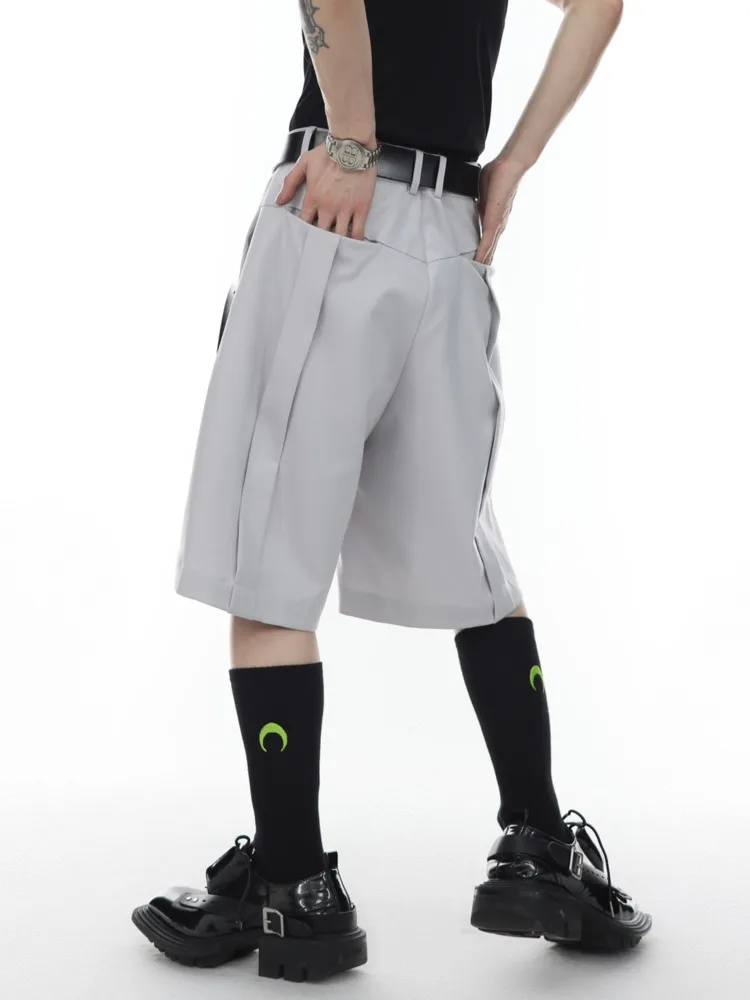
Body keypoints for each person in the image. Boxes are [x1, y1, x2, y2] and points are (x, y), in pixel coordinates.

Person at [132, 0, 651, 982]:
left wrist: (354, 142)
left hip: (343, 205)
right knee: (471, 554)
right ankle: (539, 844)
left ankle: (295, 886)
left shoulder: (347, 165)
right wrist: (512, 166)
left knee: (270, 564)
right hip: (454, 232)